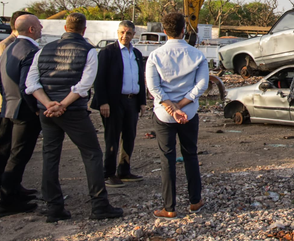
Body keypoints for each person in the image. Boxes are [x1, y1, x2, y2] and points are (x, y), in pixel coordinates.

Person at [25, 12, 123, 223]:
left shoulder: (42, 51)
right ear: (84, 30)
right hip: (73, 111)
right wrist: (63, 105)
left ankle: (54, 207)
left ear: (65, 28)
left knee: (50, 156)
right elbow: (84, 85)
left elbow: (31, 83)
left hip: (48, 111)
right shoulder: (88, 51)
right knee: (92, 154)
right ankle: (99, 204)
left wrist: (48, 103)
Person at [145, 12, 208, 219]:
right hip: (188, 112)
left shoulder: (155, 56)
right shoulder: (197, 55)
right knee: (190, 155)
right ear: (184, 30)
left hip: (164, 114)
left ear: (164, 32)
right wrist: (181, 105)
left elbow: (153, 87)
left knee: (167, 158)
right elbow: (202, 85)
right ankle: (195, 201)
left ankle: (169, 207)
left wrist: (171, 107)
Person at [0, 14, 44, 216]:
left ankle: (14, 191)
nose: (41, 27)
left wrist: (9, 101)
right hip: (25, 112)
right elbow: (28, 86)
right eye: (39, 24)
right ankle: (7, 201)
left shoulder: (9, 48)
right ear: (31, 29)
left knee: (14, 154)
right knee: (19, 156)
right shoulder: (31, 51)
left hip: (10, 108)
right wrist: (35, 108)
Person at [0, 11, 37, 203]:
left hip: (11, 104)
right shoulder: (7, 46)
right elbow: (2, 81)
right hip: (5, 106)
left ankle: (12, 186)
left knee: (13, 149)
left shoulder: (17, 44)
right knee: (1, 148)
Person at [92, 20, 147, 187]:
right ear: (118, 33)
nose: (125, 36)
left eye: (128, 33)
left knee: (129, 136)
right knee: (112, 138)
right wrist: (103, 102)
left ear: (133, 35)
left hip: (132, 100)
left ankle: (124, 169)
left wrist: (142, 102)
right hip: (114, 102)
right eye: (122, 32)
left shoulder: (136, 53)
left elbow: (140, 78)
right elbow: (99, 79)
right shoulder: (108, 52)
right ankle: (108, 173)